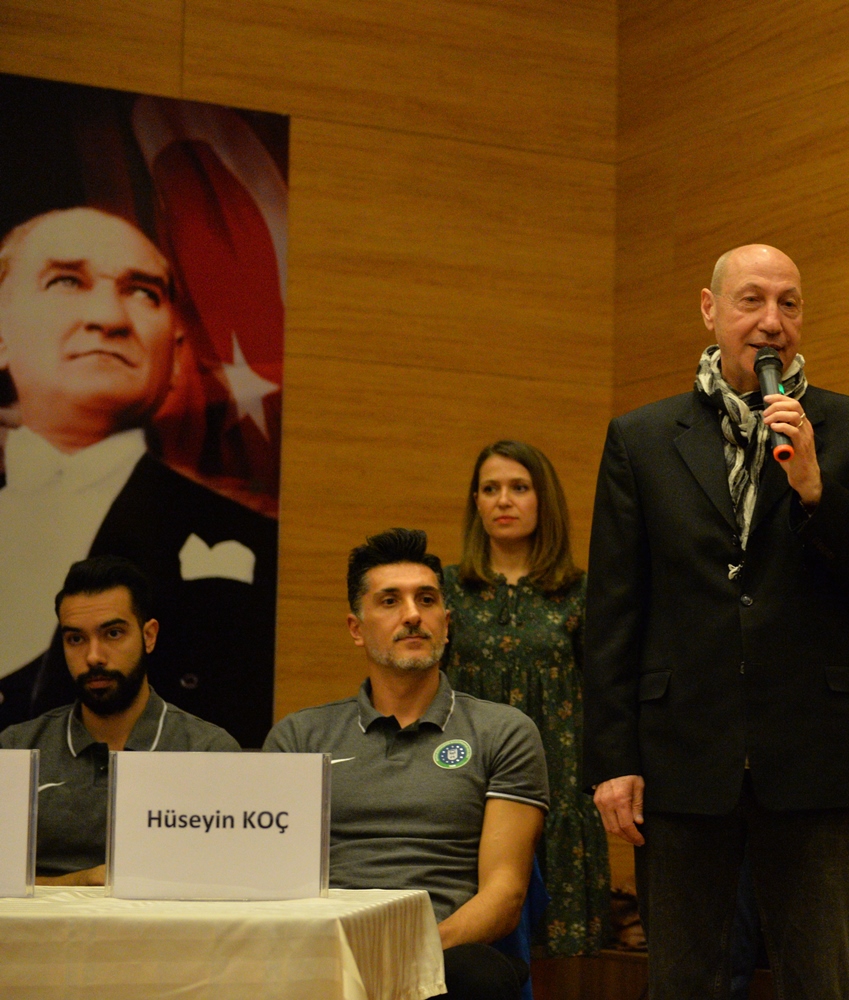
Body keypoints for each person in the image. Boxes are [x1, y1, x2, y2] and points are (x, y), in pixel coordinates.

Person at [584, 244, 849, 999]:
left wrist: (816, 490)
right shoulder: (642, 439)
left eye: (789, 304)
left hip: (814, 754)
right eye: (752, 301)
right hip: (681, 756)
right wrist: (612, 758)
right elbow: (612, 610)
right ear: (710, 311)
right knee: (684, 982)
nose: (772, 322)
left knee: (821, 981)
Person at [0, 207, 277, 746]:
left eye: (143, 292)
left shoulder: (252, 545)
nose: (109, 317)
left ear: (175, 354)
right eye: (66, 281)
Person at [263, 528, 548, 1000]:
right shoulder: (300, 738)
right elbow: (272, 881)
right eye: (390, 601)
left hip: (443, 954)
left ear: (446, 623)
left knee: (480, 976)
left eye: (427, 600)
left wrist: (405, 953)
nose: (413, 615)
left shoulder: (503, 731)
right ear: (356, 628)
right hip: (323, 948)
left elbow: (505, 896)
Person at [442, 440, 613, 957]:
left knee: (554, 951)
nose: (503, 500)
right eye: (490, 489)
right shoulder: (446, 590)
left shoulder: (580, 591)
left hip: (557, 777)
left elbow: (605, 690)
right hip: (469, 775)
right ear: (475, 502)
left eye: (519, 488)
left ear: (544, 500)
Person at [0, 555, 239, 885]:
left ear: (149, 636)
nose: (93, 656)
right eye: (76, 639)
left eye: (113, 633)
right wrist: (80, 882)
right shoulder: (17, 749)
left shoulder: (207, 751)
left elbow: (230, 882)